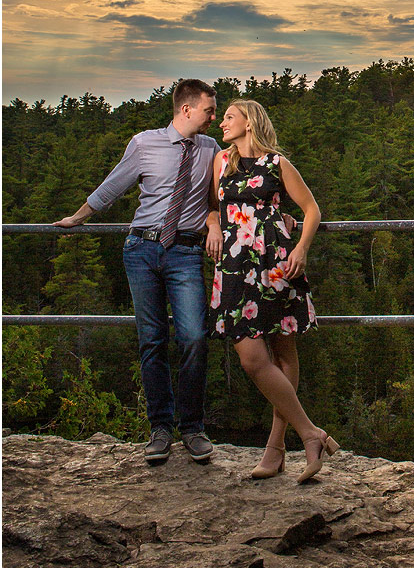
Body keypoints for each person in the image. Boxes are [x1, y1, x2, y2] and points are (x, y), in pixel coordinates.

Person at [54, 78, 221, 466]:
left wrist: (213, 223)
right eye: (209, 110)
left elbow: (218, 199)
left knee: (194, 337)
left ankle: (192, 428)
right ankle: (160, 429)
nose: (213, 117)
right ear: (186, 109)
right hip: (142, 250)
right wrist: (78, 217)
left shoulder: (211, 150)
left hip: (185, 251)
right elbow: (113, 185)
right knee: (152, 340)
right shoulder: (144, 143)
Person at [206, 99, 339, 483]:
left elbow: (311, 209)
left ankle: (276, 448)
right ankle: (311, 433)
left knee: (284, 349)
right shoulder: (221, 162)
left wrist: (301, 248)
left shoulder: (278, 164)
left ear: (250, 123)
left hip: (276, 261)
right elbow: (212, 206)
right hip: (233, 266)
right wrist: (214, 225)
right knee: (251, 357)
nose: (222, 124)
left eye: (229, 117)